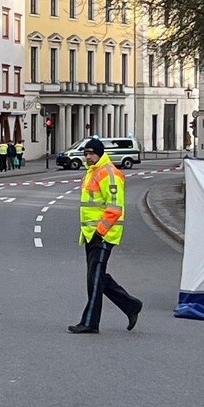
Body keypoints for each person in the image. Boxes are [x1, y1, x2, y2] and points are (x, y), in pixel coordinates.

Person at [68, 138, 142, 334]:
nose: (88, 157)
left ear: (100, 154)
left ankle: (90, 322)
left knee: (94, 279)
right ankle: (130, 305)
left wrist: (100, 232)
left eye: (92, 153)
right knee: (97, 277)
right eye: (86, 153)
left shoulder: (108, 173)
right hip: (91, 233)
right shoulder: (91, 173)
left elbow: (115, 207)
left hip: (103, 234)